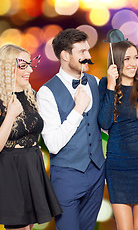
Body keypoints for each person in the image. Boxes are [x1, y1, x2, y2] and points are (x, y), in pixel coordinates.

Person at [0, 44, 62, 230]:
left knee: (28, 227)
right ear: (7, 68)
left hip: (33, 165)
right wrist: (11, 116)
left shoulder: (32, 96)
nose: (30, 70)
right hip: (10, 170)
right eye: (23, 66)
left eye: (30, 64)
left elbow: (34, 131)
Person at [36, 28, 105, 230]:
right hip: (67, 177)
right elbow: (53, 144)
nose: (88, 56)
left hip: (97, 174)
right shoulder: (46, 92)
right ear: (65, 56)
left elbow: (101, 125)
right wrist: (77, 109)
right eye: (82, 52)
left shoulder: (94, 82)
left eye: (88, 50)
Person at [98, 40, 138, 230]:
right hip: (117, 166)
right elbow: (104, 122)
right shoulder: (104, 84)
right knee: (124, 227)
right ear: (115, 61)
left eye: (136, 58)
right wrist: (110, 85)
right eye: (127, 59)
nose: (133, 63)